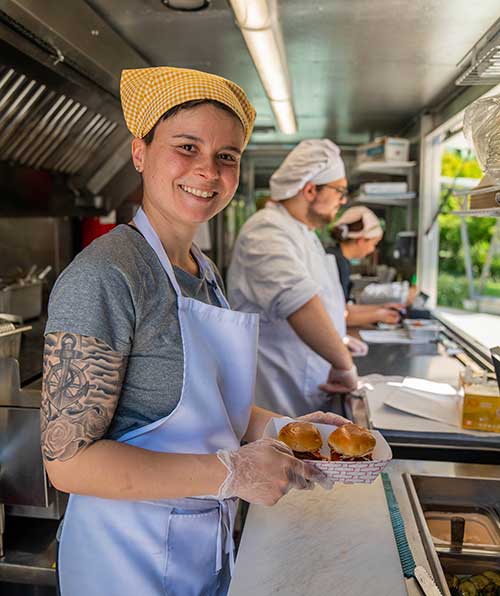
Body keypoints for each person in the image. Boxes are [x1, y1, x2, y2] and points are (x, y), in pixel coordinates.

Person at [40, 67, 347, 596]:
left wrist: (289, 434)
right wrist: (232, 473)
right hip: (124, 560)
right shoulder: (106, 275)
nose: (207, 171)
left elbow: (212, 407)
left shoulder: (203, 272)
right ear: (141, 153)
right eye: (187, 147)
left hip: (202, 548)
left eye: (226, 157)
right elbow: (68, 463)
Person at [227, 139, 361, 418]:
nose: (343, 200)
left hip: (307, 390)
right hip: (276, 402)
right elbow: (300, 304)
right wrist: (344, 364)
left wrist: (340, 343)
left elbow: (322, 302)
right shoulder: (265, 231)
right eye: (339, 191)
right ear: (311, 190)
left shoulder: (303, 232)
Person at [329, 205, 405, 327]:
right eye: (373, 244)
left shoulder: (339, 258)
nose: (372, 250)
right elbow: (339, 315)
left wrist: (381, 308)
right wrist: (379, 315)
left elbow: (342, 308)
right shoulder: (338, 263)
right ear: (361, 240)